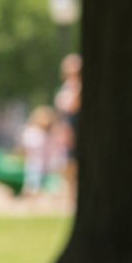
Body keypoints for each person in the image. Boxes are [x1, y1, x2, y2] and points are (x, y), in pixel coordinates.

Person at [54, 53, 81, 202]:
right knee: (70, 166)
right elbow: (66, 109)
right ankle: (72, 198)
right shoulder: (67, 89)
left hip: (76, 128)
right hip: (71, 130)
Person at [20, 106, 57, 196]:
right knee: (33, 182)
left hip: (42, 162)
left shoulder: (46, 134)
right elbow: (28, 147)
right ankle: (30, 198)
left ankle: (32, 197)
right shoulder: (33, 132)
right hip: (35, 162)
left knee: (36, 182)